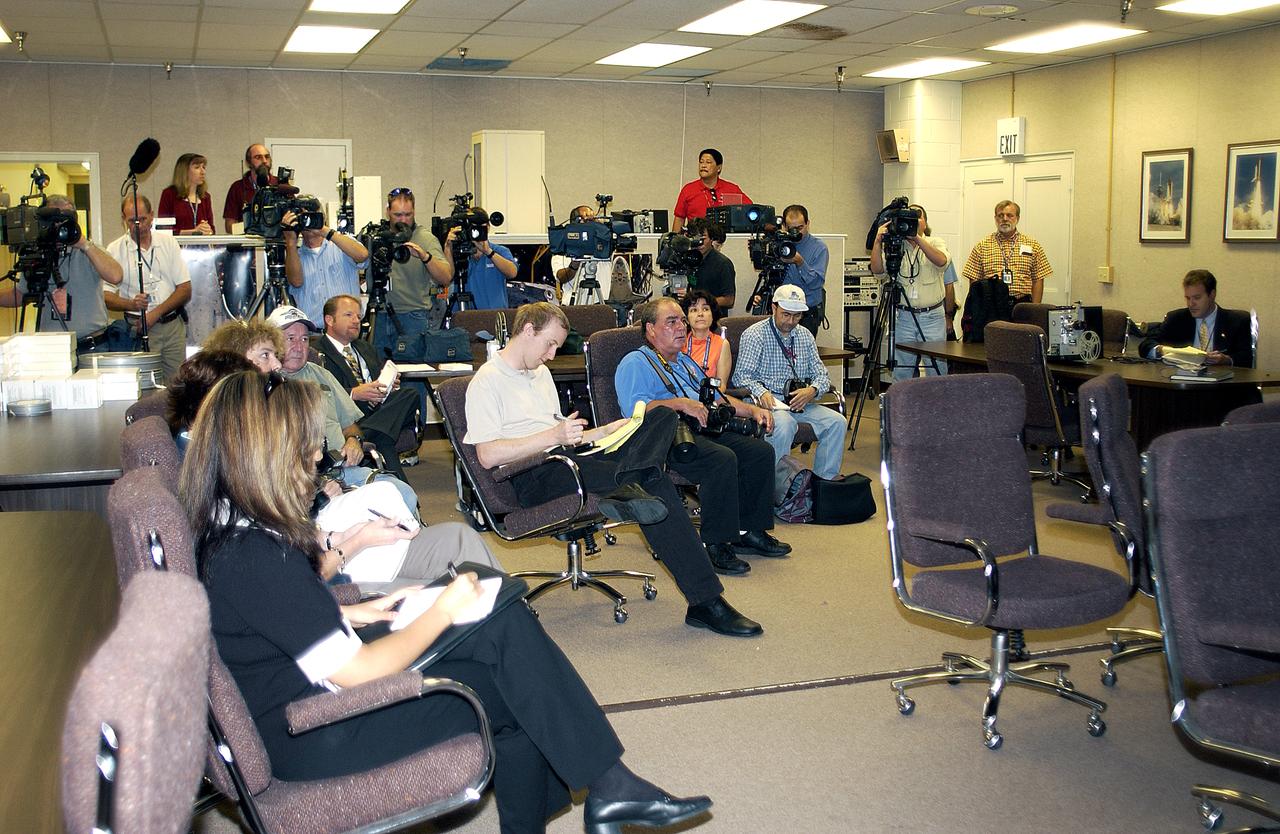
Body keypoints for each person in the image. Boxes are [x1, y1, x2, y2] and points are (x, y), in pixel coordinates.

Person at [182, 370, 713, 833]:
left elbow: (265, 625)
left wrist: (348, 611)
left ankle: (608, 786)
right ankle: (608, 785)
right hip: (317, 729)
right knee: (506, 659)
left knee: (504, 635)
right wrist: (443, 609)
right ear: (264, 458)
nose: (317, 460)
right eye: (304, 453)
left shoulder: (230, 532)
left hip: (302, 699)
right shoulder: (253, 555)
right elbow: (360, 671)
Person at [464, 302, 762, 636]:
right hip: (534, 474)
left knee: (661, 417)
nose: (551, 356)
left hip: (572, 457)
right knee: (657, 482)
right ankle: (707, 603)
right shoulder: (486, 381)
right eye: (549, 344)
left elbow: (565, 434)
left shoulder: (540, 375)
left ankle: (701, 597)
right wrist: (554, 435)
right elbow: (488, 455)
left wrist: (602, 432)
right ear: (529, 330)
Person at [165, 350, 501, 591]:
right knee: (462, 591)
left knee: (460, 541)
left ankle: (511, 614)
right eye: (253, 398)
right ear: (221, 404)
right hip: (332, 583)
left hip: (323, 547)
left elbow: (280, 530)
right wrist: (348, 543)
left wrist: (333, 533)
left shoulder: (220, 456)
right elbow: (285, 577)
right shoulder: (217, 475)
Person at [616, 298, 792, 563]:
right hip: (664, 439)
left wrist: (752, 410)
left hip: (701, 429)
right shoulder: (635, 362)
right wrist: (680, 404)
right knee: (721, 459)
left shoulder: (686, 363)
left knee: (760, 451)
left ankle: (749, 531)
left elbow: (718, 399)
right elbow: (635, 411)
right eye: (671, 322)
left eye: (682, 322)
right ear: (651, 329)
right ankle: (716, 543)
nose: (681, 328)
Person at [264, 306, 419, 509]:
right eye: (290, 338)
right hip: (297, 478)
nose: (299, 346)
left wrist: (354, 440)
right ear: (271, 343)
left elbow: (350, 426)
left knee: (403, 494)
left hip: (342, 467)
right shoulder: (264, 384)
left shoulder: (322, 375)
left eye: (304, 339)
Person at [733, 285, 846, 481]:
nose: (790, 321)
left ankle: (825, 484)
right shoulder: (755, 335)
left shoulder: (805, 335)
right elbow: (741, 376)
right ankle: (777, 489)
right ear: (773, 308)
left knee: (837, 422)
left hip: (799, 402)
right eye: (785, 315)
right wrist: (761, 392)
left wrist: (812, 390)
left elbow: (822, 374)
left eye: (796, 316)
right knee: (784, 425)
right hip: (768, 403)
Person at [0, 194, 123, 355]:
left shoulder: (90, 251)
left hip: (92, 348)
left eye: (65, 220)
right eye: (53, 220)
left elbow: (115, 276)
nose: (58, 225)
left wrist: (83, 244)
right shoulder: (38, 255)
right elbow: (20, 294)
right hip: (52, 350)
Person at [312, 294, 420, 465]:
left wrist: (388, 385)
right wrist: (354, 393)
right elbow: (318, 394)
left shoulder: (366, 347)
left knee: (410, 394)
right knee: (385, 441)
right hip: (350, 414)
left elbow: (377, 383)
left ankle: (362, 436)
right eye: (348, 315)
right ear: (329, 320)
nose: (356, 321)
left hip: (378, 410)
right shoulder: (316, 352)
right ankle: (365, 436)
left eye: (358, 316)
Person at [105, 194, 193, 381]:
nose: (138, 225)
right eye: (132, 221)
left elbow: (185, 288)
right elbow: (106, 296)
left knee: (177, 385)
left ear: (152, 216)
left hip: (171, 327)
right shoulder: (115, 250)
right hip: (138, 328)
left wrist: (156, 313)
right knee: (145, 385)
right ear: (123, 220)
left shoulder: (168, 243)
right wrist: (131, 304)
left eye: (143, 219)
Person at [869, 203, 955, 379]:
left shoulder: (935, 242)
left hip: (932, 317)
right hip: (904, 317)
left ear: (925, 222)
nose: (912, 220)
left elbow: (941, 261)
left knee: (937, 369)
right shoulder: (895, 245)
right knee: (902, 370)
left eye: (917, 216)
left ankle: (939, 405)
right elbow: (877, 271)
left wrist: (916, 238)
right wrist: (877, 243)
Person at [373, 187, 455, 365]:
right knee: (377, 377)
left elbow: (446, 277)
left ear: (414, 212)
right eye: (398, 215)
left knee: (412, 380)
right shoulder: (378, 237)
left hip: (413, 316)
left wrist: (425, 257)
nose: (403, 220)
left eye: (408, 215)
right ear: (388, 212)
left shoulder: (425, 238)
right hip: (380, 314)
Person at [1139, 269, 1254, 367]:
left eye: (1197, 298)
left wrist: (1227, 360)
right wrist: (1161, 351)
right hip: (1182, 383)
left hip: (1221, 385)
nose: (1191, 304)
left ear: (1212, 295)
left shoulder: (1236, 321)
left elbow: (1247, 358)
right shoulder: (1177, 319)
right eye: (1188, 298)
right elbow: (1146, 345)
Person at [283, 209, 370, 328]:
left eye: (313, 216)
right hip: (313, 333)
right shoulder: (294, 255)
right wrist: (290, 242)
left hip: (346, 331)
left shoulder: (341, 245)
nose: (308, 220)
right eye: (302, 217)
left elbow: (363, 256)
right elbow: (296, 282)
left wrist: (323, 230)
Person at [961, 200, 1052, 305]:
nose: (1004, 219)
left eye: (1009, 215)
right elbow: (974, 280)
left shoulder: (1033, 246)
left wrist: (1034, 309)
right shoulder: (982, 246)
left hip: (1022, 305)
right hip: (992, 306)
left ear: (1017, 218)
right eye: (1000, 215)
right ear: (995, 219)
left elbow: (1038, 279)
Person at [778, 204, 829, 336]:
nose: (796, 232)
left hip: (806, 312)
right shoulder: (779, 245)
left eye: (800, 227)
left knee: (802, 353)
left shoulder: (819, 248)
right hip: (781, 309)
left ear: (807, 224)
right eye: (792, 228)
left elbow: (816, 283)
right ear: (784, 226)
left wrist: (800, 262)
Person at [672, 148, 750, 233]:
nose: (703, 165)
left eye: (708, 162)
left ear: (719, 168)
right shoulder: (688, 190)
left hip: (729, 239)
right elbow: (679, 219)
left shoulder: (732, 189)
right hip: (698, 240)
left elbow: (749, 210)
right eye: (701, 162)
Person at [455, 207, 518, 310]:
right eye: (473, 228)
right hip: (464, 316)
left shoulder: (500, 251)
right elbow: (445, 278)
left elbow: (512, 272)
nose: (476, 231)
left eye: (481, 227)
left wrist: (488, 252)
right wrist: (448, 247)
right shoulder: (459, 254)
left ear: (488, 227)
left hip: (494, 316)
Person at [222, 143, 276, 234]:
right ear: (248, 162)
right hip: (247, 244)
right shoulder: (237, 187)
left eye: (267, 157)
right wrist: (253, 228)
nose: (264, 161)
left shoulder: (281, 185)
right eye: (258, 157)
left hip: (276, 244)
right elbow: (229, 226)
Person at [680, 289, 732, 384]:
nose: (700, 314)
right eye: (694, 310)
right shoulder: (679, 342)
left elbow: (721, 385)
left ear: (712, 315)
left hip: (708, 396)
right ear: (686, 318)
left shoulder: (722, 344)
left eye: (705, 309)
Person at [157, 153, 215, 236]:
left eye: (204, 167)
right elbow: (163, 229)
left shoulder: (205, 197)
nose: (203, 172)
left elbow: (212, 229)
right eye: (197, 167)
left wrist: (208, 230)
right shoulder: (169, 194)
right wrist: (192, 232)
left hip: (201, 248)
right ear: (184, 171)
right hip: (177, 247)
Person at [686, 218, 736, 312]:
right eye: (695, 238)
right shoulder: (690, 260)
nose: (699, 243)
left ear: (711, 238)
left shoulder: (723, 263)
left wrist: (702, 303)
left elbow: (729, 300)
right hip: (693, 315)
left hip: (715, 317)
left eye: (703, 239)